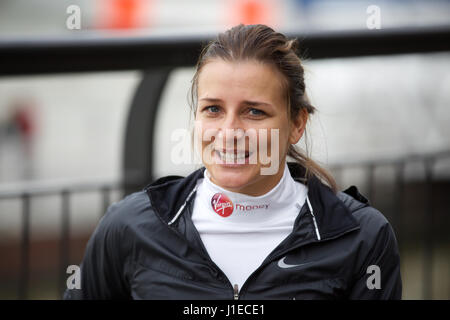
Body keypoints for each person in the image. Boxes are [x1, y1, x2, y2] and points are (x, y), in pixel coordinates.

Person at [64, 24, 402, 300]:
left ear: (297, 124)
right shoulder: (129, 226)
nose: (228, 133)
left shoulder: (364, 238)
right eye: (212, 109)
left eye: (254, 111)